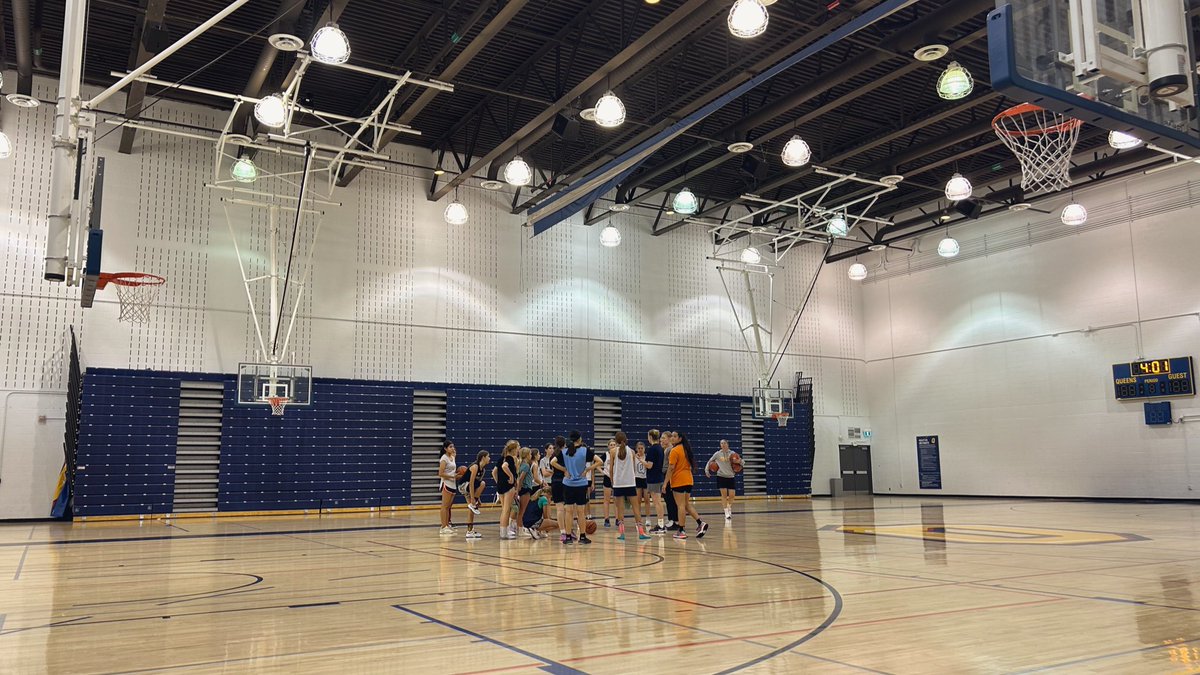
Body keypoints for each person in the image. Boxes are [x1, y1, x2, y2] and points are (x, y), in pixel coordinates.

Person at [556, 430, 599, 545]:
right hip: (581, 484)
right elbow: (599, 461)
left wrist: (565, 470)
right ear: (580, 439)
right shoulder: (585, 450)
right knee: (581, 512)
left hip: (568, 484)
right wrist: (587, 470)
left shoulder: (565, 451)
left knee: (568, 511)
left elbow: (553, 462)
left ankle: (568, 536)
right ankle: (583, 537)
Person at [665, 431, 707, 539]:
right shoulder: (686, 449)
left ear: (680, 439)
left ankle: (681, 530)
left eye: (675, 436)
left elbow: (671, 468)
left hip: (679, 480)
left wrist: (665, 483)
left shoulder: (674, 450)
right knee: (686, 504)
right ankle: (700, 523)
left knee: (680, 506)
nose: (672, 438)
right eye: (672, 436)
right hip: (688, 480)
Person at [609, 432, 649, 541]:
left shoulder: (612, 451)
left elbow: (611, 469)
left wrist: (613, 481)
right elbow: (634, 469)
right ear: (626, 440)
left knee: (620, 509)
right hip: (630, 482)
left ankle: (622, 533)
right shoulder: (631, 452)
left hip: (618, 483)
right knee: (636, 508)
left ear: (616, 441)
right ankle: (641, 532)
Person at [457, 451, 490, 539]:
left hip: (470, 488)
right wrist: (473, 498)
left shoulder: (483, 470)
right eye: (488, 457)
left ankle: (470, 531)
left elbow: (477, 486)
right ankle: (473, 504)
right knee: (483, 483)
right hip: (463, 486)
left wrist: (477, 499)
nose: (489, 458)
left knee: (471, 508)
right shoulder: (475, 467)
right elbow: (471, 484)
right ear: (483, 457)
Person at [705, 439, 738, 521]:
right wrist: (706, 470)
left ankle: (729, 507)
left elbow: (742, 463)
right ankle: (726, 512)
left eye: (724, 443)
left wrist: (739, 461)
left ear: (727, 444)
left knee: (732, 495)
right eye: (721, 443)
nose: (723, 444)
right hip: (721, 476)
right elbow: (710, 461)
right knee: (724, 495)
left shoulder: (733, 454)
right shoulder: (717, 454)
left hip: (730, 476)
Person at [496, 440, 520, 539]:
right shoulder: (510, 458)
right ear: (514, 449)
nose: (518, 450)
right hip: (508, 486)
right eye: (518, 448)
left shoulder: (501, 458)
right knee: (506, 510)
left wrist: (499, 481)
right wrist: (511, 476)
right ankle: (504, 533)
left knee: (504, 510)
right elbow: (504, 467)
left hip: (500, 486)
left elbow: (494, 471)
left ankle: (503, 532)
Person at [644, 430, 667, 534]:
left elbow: (649, 465)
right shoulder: (660, 448)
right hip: (659, 477)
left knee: (657, 502)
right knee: (659, 502)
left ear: (650, 437)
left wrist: (640, 460)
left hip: (654, 478)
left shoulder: (652, 449)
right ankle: (661, 524)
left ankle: (661, 525)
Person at [438, 441, 458, 535]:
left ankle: (447, 525)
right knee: (444, 506)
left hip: (453, 484)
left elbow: (452, 469)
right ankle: (443, 527)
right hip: (446, 483)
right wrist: (452, 476)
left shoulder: (452, 457)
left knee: (449, 507)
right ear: (445, 448)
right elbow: (440, 473)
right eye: (450, 447)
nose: (452, 448)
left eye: (453, 446)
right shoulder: (444, 458)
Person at [516, 446, 537, 537]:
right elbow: (521, 478)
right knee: (522, 511)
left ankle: (519, 528)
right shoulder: (526, 465)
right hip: (525, 489)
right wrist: (518, 489)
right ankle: (520, 530)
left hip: (523, 489)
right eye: (530, 454)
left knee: (521, 510)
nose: (531, 455)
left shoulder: (520, 464)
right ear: (527, 455)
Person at [598, 441, 613, 527]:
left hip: (616, 478)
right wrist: (602, 472)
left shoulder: (618, 454)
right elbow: (597, 464)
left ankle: (618, 519)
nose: (612, 446)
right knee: (607, 500)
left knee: (617, 500)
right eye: (611, 445)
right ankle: (606, 519)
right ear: (608, 446)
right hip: (607, 477)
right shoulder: (606, 455)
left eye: (614, 444)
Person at [634, 441, 649, 529]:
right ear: (636, 449)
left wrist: (642, 460)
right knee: (638, 501)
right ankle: (639, 520)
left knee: (647, 500)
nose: (640, 450)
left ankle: (648, 518)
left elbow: (648, 466)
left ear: (644, 449)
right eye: (638, 448)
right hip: (637, 478)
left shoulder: (646, 457)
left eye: (642, 448)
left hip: (646, 479)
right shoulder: (634, 457)